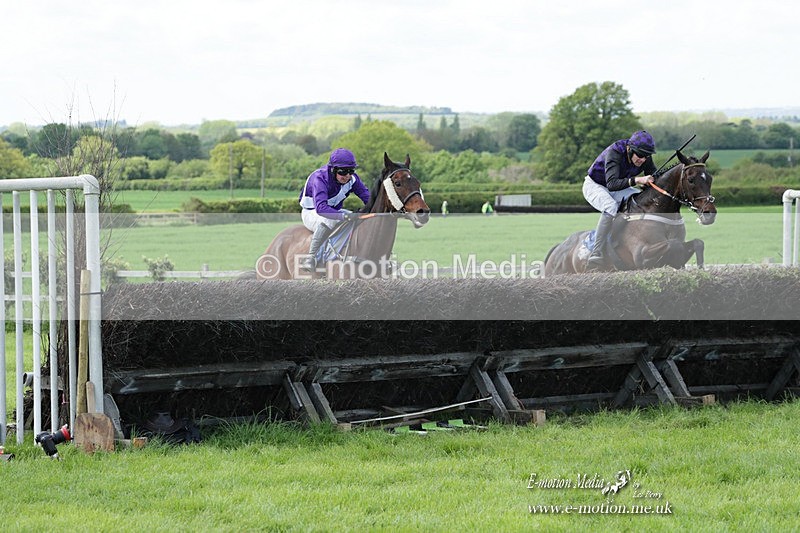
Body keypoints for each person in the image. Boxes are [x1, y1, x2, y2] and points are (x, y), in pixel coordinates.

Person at [582, 130, 657, 270]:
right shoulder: (615, 152)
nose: (643, 159)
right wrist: (638, 180)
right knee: (610, 207)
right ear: (630, 149)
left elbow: (654, 176)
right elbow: (612, 184)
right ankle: (596, 252)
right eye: (640, 155)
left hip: (617, 188)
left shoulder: (644, 155)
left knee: (641, 199)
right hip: (595, 186)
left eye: (647, 156)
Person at [298, 148, 371, 271]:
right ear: (333, 170)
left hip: (333, 212)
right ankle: (310, 258)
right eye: (343, 172)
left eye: (351, 171)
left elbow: (368, 198)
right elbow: (321, 209)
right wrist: (343, 216)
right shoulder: (319, 178)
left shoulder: (353, 179)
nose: (347, 176)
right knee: (329, 221)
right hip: (312, 212)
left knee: (358, 219)